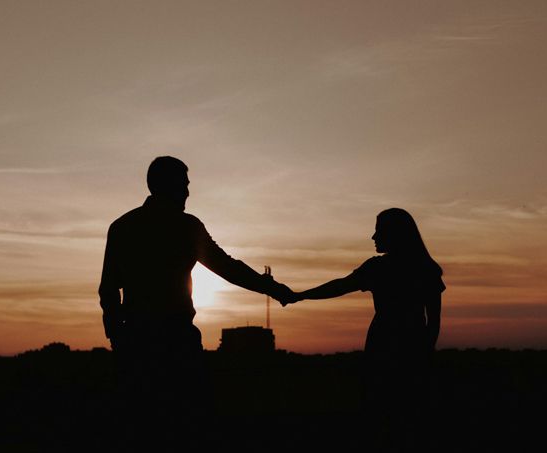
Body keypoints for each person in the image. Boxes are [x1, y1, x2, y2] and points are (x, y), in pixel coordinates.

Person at [98, 156, 293, 411]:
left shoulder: (123, 227)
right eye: (183, 185)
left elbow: (109, 290)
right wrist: (271, 288)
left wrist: (118, 338)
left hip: (138, 342)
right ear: (167, 186)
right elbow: (227, 267)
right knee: (186, 417)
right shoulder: (186, 227)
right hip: (176, 343)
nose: (188, 193)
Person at [285, 208, 445, 431]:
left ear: (395, 233)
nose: (373, 237)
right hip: (411, 346)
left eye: (379, 231)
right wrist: (425, 354)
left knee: (382, 412)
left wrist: (298, 296)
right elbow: (433, 323)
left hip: (385, 345)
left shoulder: (380, 268)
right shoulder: (425, 269)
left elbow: (340, 286)